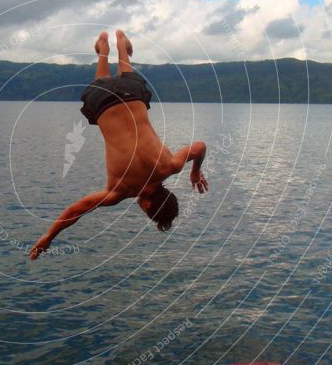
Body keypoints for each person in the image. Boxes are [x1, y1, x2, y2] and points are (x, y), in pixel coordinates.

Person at [29, 30, 208, 260]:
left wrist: (195, 171)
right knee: (101, 83)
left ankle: (121, 45)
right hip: (102, 103)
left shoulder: (170, 166)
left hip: (133, 96)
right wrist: (48, 237)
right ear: (146, 208)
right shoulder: (118, 191)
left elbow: (200, 147)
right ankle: (103, 50)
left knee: (127, 73)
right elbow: (75, 211)